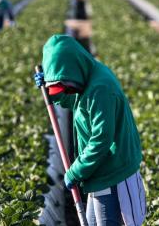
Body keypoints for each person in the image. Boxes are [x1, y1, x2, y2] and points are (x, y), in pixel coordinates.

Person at [35, 35, 146, 225]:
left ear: (72, 71)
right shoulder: (87, 76)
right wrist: (52, 90)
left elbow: (100, 140)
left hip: (112, 173)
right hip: (99, 171)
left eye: (64, 86)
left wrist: (75, 171)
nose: (65, 91)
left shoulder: (100, 88)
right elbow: (79, 102)